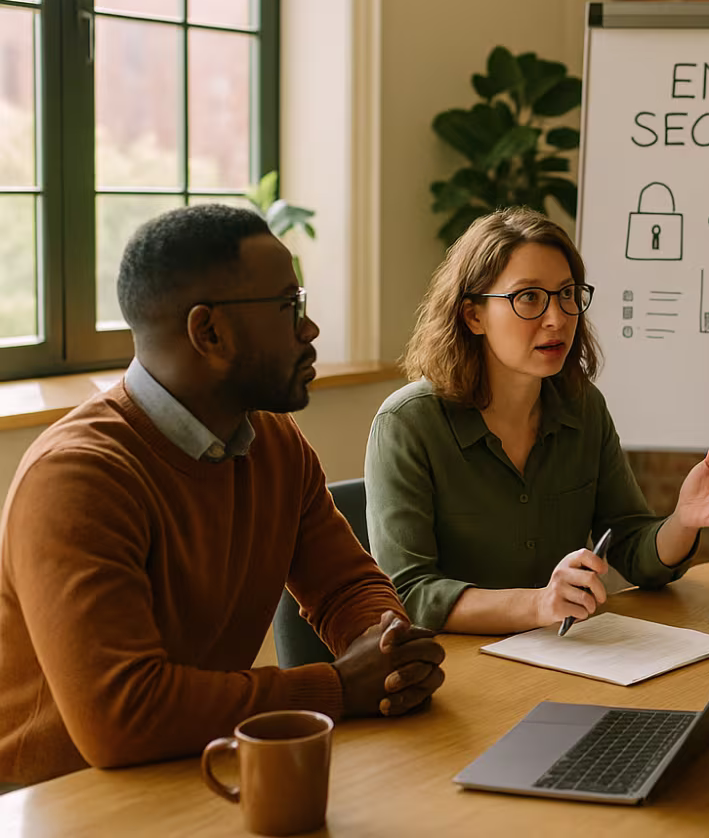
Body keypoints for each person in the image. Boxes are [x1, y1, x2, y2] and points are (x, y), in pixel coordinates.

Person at [0, 205, 445, 789]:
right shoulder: (77, 478)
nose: (309, 330)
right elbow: (122, 715)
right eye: (290, 307)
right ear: (207, 331)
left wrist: (386, 651)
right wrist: (338, 687)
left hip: (201, 769)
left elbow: (346, 585)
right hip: (61, 800)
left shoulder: (274, 441)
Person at [365, 208, 709, 635]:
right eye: (529, 297)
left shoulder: (582, 407)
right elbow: (407, 593)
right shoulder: (407, 424)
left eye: (567, 294)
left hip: (565, 654)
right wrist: (538, 605)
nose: (557, 318)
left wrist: (682, 521)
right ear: (473, 315)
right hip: (455, 670)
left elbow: (633, 549)